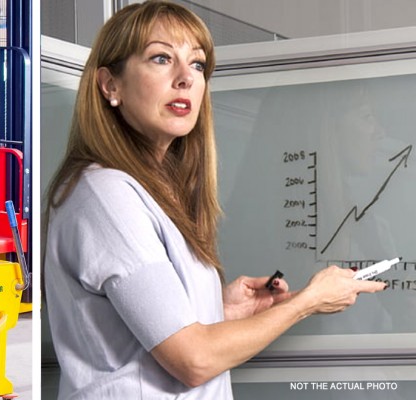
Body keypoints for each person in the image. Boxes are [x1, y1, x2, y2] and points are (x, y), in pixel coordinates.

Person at [42, 1, 387, 398]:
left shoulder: (155, 190)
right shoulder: (106, 196)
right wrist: (306, 302)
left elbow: (141, 334)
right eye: (160, 58)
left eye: (198, 64)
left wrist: (220, 312)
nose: (185, 78)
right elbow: (194, 360)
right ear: (110, 85)